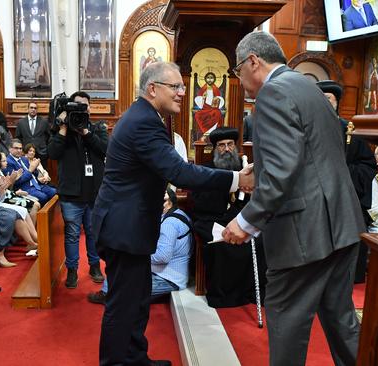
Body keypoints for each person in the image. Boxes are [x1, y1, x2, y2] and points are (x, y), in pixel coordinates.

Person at [92, 61, 253, 366]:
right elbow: (179, 172)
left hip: (128, 226)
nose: (182, 92)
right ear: (153, 89)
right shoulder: (143, 122)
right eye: (175, 86)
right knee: (124, 304)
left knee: (137, 301)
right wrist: (236, 179)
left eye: (182, 86)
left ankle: (136, 359)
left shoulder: (147, 116)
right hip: (123, 228)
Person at [222, 32, 364, 366]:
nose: (239, 80)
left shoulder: (271, 94)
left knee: (285, 323)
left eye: (238, 70)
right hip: (340, 226)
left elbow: (283, 171)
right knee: (342, 322)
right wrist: (266, 165)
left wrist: (247, 221)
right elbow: (313, 153)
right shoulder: (308, 88)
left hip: (303, 236)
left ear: (254, 61)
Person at [191, 127, 267, 308]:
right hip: (211, 219)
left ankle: (253, 292)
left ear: (235, 146)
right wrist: (231, 186)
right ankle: (225, 296)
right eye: (221, 145)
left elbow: (256, 199)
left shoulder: (245, 168)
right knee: (225, 245)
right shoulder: (205, 170)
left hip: (241, 218)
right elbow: (199, 201)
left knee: (261, 241)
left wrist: (247, 192)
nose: (226, 149)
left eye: (230, 144)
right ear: (215, 149)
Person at [88, 188, 192, 305]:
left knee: (122, 268)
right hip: (167, 273)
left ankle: (109, 295)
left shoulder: (169, 224)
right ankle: (111, 292)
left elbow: (163, 256)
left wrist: (137, 254)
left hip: (168, 278)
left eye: (162, 201)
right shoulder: (177, 213)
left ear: (170, 202)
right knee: (123, 261)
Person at [317, 80, 377, 283]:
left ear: (336, 103)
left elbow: (368, 168)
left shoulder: (351, 131)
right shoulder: (305, 130)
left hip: (345, 202)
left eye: (328, 99)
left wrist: (342, 171)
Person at [47, 91, 107, 288]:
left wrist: (86, 133)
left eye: (85, 105)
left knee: (93, 233)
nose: (82, 108)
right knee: (72, 233)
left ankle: (95, 265)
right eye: (77, 105)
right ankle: (72, 269)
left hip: (94, 193)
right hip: (71, 194)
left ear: (90, 108)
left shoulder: (98, 128)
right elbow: (53, 153)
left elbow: (105, 149)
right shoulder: (61, 131)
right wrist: (63, 128)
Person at [5, 139, 56, 206]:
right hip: (25, 188)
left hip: (37, 184)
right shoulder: (8, 162)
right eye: (16, 148)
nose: (19, 150)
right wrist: (31, 170)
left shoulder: (24, 159)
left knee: (54, 192)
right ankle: (41, 215)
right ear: (10, 149)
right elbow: (16, 182)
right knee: (43, 197)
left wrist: (39, 177)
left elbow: (34, 174)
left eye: (20, 148)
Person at [15, 102, 51, 167]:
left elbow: (49, 136)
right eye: (31, 108)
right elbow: (18, 138)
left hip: (41, 153)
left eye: (35, 108)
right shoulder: (21, 122)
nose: (33, 109)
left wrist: (46, 147)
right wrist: (22, 150)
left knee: (42, 173)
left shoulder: (44, 121)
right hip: (26, 153)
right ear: (28, 109)